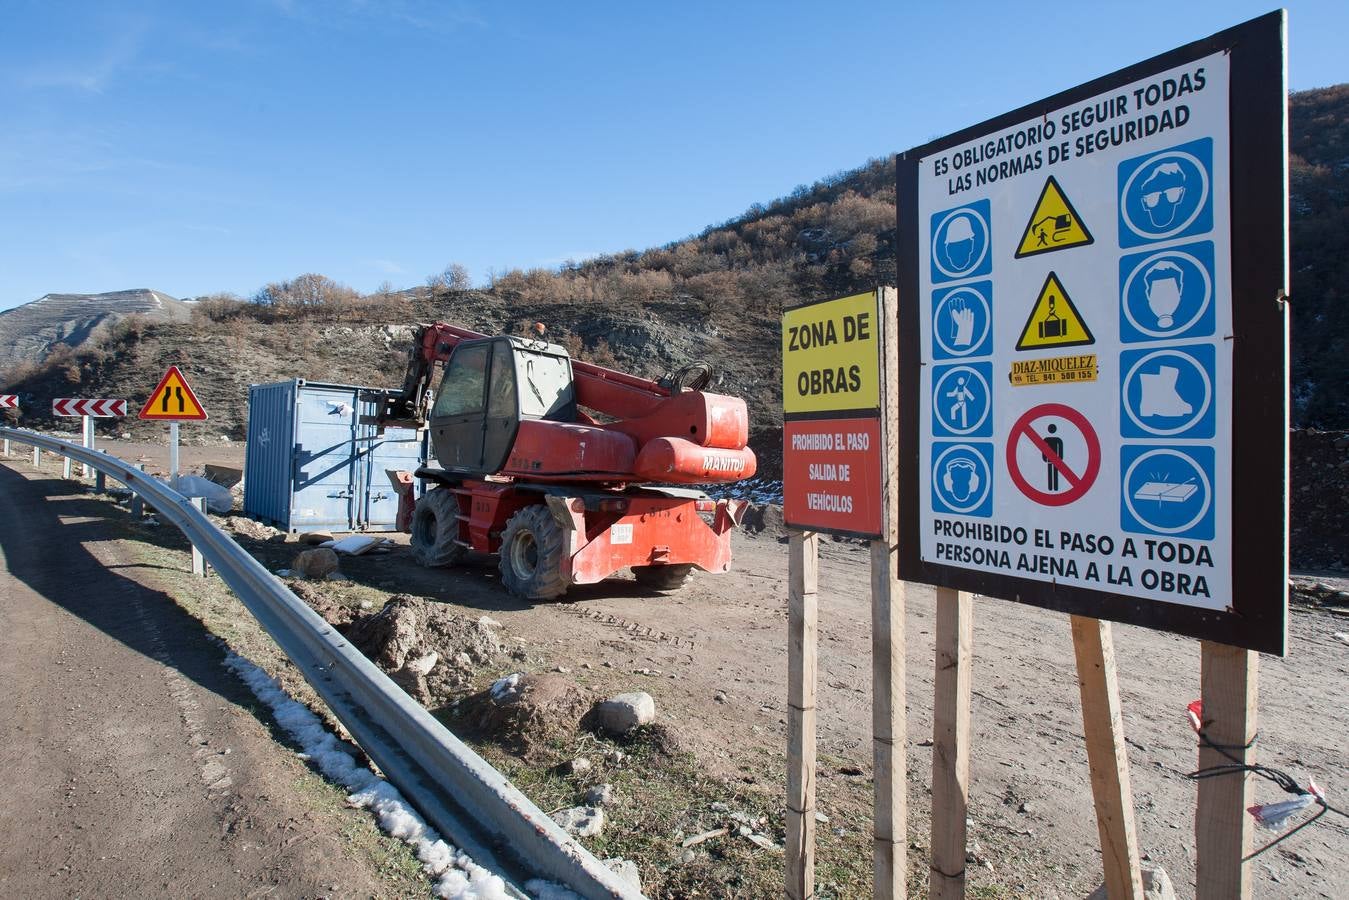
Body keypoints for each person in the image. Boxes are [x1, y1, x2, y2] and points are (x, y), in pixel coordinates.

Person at [1042, 423, 1064, 491]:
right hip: (1050, 459)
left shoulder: (1058, 440)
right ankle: (1050, 488)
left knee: (1054, 473)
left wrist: (1059, 459)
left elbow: (1060, 450)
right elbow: (1043, 450)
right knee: (1050, 472)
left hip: (1055, 459)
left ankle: (1055, 487)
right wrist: (1045, 458)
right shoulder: (1046, 440)